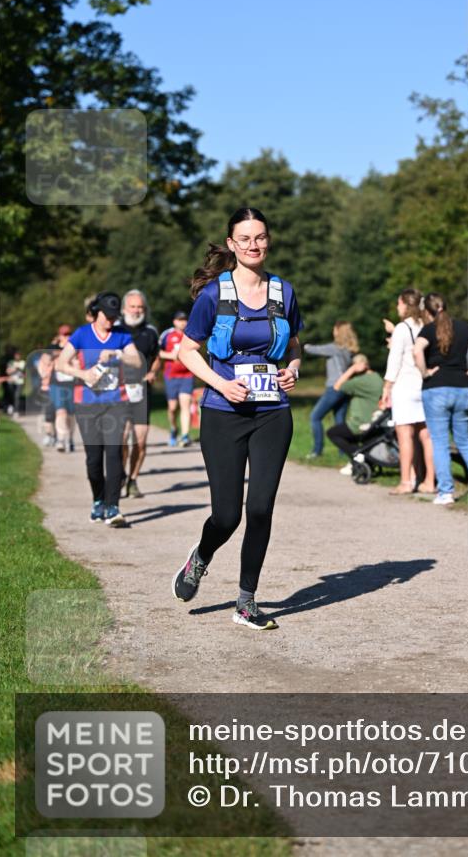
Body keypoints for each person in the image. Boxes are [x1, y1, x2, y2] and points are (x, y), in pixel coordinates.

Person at [172, 207, 303, 631]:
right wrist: (221, 384)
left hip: (272, 414)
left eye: (260, 237)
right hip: (223, 413)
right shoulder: (214, 295)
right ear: (232, 244)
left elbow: (295, 344)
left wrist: (293, 369)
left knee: (260, 508)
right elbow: (186, 351)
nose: (253, 245)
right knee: (227, 516)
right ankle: (201, 557)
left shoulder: (283, 291)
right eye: (244, 238)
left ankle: (246, 601)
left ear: (269, 240)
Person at [55, 292, 142, 527]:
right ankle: (98, 501)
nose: (110, 321)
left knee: (113, 453)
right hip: (87, 404)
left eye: (114, 317)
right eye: (107, 316)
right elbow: (60, 363)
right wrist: (83, 374)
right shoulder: (82, 334)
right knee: (93, 458)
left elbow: (137, 361)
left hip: (116, 402)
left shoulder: (122, 334)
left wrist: (117, 353)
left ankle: (113, 507)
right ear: (97, 312)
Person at [413, 294, 468, 505]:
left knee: (439, 442)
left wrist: (425, 373)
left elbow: (416, 350)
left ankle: (446, 493)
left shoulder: (428, 330)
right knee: (464, 440)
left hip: (436, 389)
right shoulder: (463, 327)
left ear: (427, 311)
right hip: (462, 389)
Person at [381, 289, 436, 495]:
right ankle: (429, 480)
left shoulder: (402, 328)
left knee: (405, 436)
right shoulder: (427, 325)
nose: (397, 307)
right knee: (426, 437)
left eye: (399, 303)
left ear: (405, 304)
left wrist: (386, 387)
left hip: (404, 387)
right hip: (425, 385)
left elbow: (394, 361)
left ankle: (406, 481)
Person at [116, 290, 160, 497]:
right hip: (120, 391)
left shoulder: (150, 332)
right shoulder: (115, 330)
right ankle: (121, 476)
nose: (136, 310)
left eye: (140, 307)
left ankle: (132, 480)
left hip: (142, 391)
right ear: (124, 308)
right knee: (123, 439)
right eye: (132, 306)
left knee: (140, 441)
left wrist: (153, 372)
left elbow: (157, 357)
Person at [303, 321, 359, 457]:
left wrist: (301, 344)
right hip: (346, 388)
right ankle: (344, 452)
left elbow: (312, 349)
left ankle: (317, 451)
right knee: (340, 419)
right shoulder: (349, 350)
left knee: (315, 417)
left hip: (335, 387)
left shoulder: (334, 348)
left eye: (334, 329)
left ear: (338, 331)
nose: (333, 331)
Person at [326, 354, 384, 469]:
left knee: (332, 433)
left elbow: (337, 386)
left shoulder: (361, 381)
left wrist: (351, 370)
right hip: (375, 422)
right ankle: (359, 459)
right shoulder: (377, 377)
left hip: (360, 423)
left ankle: (358, 454)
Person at [159, 311, 194, 447]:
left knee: (185, 404)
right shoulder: (167, 335)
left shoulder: (191, 334)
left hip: (187, 375)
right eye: (180, 320)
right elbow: (157, 352)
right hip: (171, 376)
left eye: (185, 319)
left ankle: (185, 436)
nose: (183, 322)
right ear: (174, 321)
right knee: (172, 408)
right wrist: (171, 355)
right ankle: (174, 429)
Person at [50, 325, 76, 452]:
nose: (67, 337)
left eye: (69, 334)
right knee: (61, 412)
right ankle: (60, 439)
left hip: (72, 384)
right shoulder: (52, 348)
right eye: (65, 334)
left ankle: (70, 439)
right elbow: (47, 361)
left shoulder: (75, 347)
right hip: (57, 384)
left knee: (71, 415)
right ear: (59, 336)